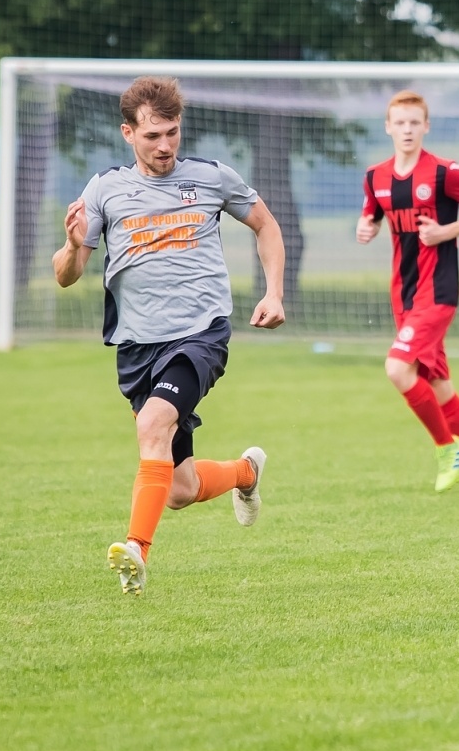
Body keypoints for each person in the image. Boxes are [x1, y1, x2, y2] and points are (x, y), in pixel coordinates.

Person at [53, 76, 285, 596]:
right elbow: (66, 275)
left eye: (173, 133)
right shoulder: (104, 190)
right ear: (128, 133)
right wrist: (71, 247)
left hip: (201, 334)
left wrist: (274, 292)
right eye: (153, 135)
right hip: (137, 347)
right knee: (179, 489)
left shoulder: (211, 178)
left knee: (153, 425)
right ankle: (245, 472)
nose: (164, 146)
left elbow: (266, 225)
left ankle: (136, 549)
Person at [358, 89, 459, 494]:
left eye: (413, 122)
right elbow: (369, 217)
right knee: (439, 386)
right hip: (402, 295)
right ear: (388, 127)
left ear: (426, 126)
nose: (406, 129)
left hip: (438, 292)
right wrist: (365, 228)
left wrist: (446, 231)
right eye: (399, 123)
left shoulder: (444, 172)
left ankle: (446, 448)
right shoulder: (376, 177)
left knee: (397, 368)